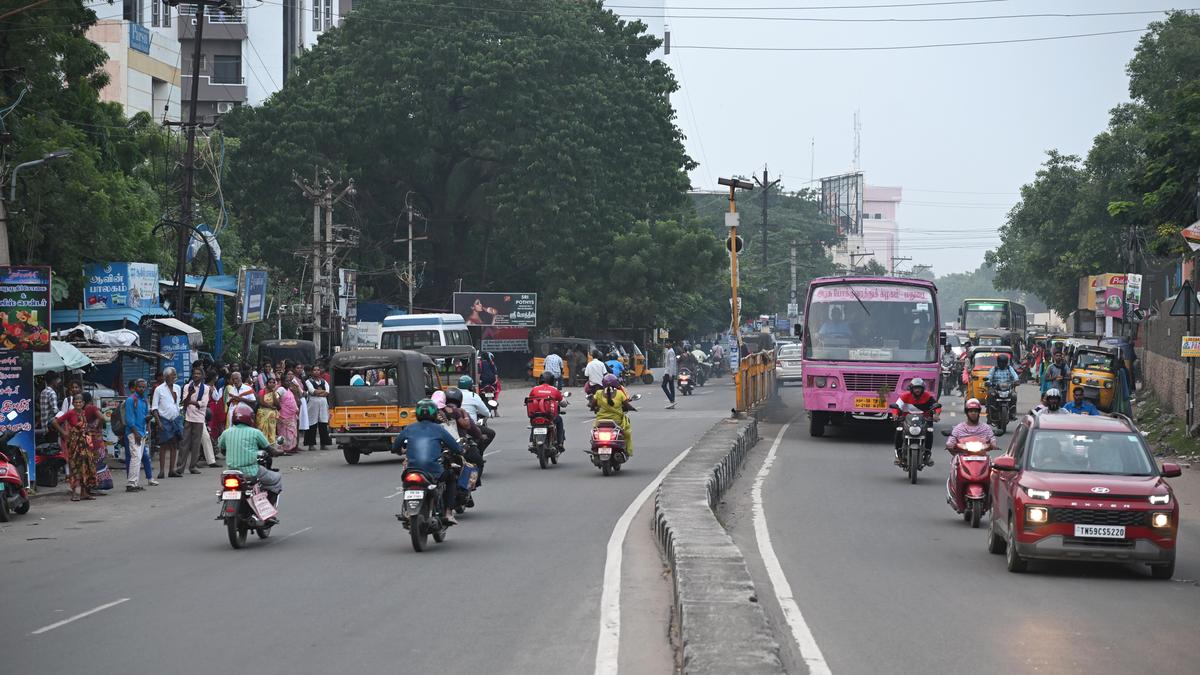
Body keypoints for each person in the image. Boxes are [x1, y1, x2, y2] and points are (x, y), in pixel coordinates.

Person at [390, 399, 464, 525]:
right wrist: (460, 449)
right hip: (433, 471)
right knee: (451, 477)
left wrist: (401, 451)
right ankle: (448, 512)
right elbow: (456, 448)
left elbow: (395, 447)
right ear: (434, 414)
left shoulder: (409, 428)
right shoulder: (439, 429)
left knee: (406, 484)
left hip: (411, 470)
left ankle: (406, 511)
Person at [219, 404, 283, 516]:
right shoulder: (255, 433)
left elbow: (222, 449)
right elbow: (270, 450)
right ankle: (269, 511)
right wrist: (279, 452)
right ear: (250, 418)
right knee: (276, 479)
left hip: (231, 472)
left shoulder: (226, 433)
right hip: (251, 471)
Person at [53, 394, 98, 501]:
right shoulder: (70, 413)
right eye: (76, 402)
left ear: (83, 403)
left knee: (86, 465)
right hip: (74, 443)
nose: (78, 404)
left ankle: (84, 493)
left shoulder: (83, 413)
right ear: (73, 404)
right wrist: (64, 433)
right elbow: (55, 422)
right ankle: (75, 493)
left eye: (80, 402)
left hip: (85, 444)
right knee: (76, 466)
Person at [889, 378, 942, 467]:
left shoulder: (928, 397)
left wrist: (936, 415)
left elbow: (936, 406)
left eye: (919, 388)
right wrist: (895, 415)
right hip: (907, 420)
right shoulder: (904, 396)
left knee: (929, 431)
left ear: (923, 389)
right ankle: (898, 455)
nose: (917, 390)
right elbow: (896, 406)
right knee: (899, 430)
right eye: (915, 388)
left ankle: (927, 454)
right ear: (911, 389)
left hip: (924, 420)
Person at [176, 366, 212, 476]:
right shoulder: (187, 386)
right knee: (184, 443)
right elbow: (184, 402)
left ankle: (193, 466)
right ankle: (180, 467)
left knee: (196, 444)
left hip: (199, 418)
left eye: (198, 373)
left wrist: (192, 402)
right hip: (188, 417)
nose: (196, 375)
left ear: (202, 376)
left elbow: (203, 404)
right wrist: (191, 397)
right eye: (195, 373)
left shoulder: (206, 388)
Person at [123, 378, 156, 490]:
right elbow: (129, 419)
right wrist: (136, 433)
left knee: (138, 457)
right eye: (139, 386)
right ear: (135, 387)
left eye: (143, 387)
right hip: (134, 432)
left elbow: (144, 416)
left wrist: (147, 423)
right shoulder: (131, 400)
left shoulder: (144, 400)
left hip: (141, 432)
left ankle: (135, 482)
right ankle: (131, 483)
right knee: (136, 457)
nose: (142, 389)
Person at [593, 373, 636, 457]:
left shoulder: (598, 393)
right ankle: (627, 451)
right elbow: (627, 405)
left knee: (594, 433)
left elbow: (592, 405)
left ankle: (595, 448)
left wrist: (595, 406)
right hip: (616, 421)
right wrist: (633, 409)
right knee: (626, 433)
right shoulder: (620, 393)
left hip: (600, 421)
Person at [151, 367, 183, 479]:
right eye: (172, 375)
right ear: (166, 377)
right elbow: (154, 407)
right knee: (164, 445)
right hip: (163, 419)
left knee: (174, 444)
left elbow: (177, 403)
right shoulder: (159, 389)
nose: (174, 377)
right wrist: (158, 422)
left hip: (175, 419)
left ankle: (172, 470)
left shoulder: (178, 388)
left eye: (175, 375)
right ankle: (161, 471)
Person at [527, 371, 566, 450]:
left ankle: (532, 439)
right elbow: (563, 402)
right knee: (559, 420)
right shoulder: (554, 389)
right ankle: (560, 442)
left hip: (535, 415)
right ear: (552, 380)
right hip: (549, 416)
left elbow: (529, 399)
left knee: (533, 423)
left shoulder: (534, 389)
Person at [456, 376, 496, 451]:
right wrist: (489, 414)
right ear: (470, 386)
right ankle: (480, 452)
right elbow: (485, 411)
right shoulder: (473, 396)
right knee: (491, 433)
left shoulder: (454, 394)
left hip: (455, 426)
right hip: (470, 425)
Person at [305, 365, 333, 450]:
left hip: (323, 404)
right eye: (314, 370)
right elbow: (312, 391)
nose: (316, 371)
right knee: (312, 424)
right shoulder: (308, 381)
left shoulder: (324, 381)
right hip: (313, 404)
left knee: (323, 424)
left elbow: (327, 392)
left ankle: (324, 444)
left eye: (318, 370)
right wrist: (321, 392)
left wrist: (318, 392)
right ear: (311, 372)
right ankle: (311, 444)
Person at [276, 372, 300, 454]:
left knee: (291, 432)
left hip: (292, 415)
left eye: (289, 381)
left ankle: (290, 448)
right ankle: (283, 449)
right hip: (283, 415)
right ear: (282, 382)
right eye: (286, 381)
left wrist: (296, 409)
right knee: (283, 433)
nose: (288, 383)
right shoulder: (280, 389)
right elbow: (276, 398)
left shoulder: (289, 390)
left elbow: (292, 401)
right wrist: (279, 407)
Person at [205, 370, 225, 464]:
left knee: (214, 429)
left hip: (214, 408)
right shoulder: (209, 387)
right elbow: (215, 398)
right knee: (211, 429)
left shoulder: (212, 386)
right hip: (211, 408)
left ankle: (213, 451)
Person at [256, 376, 280, 445]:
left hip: (272, 415)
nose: (272, 384)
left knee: (272, 430)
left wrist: (273, 394)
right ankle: (263, 445)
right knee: (262, 429)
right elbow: (261, 402)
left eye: (273, 383)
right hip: (263, 413)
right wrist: (271, 407)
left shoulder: (274, 393)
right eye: (270, 382)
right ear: (266, 384)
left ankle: (271, 446)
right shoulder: (262, 391)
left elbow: (277, 404)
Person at [661, 341, 677, 409]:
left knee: (663, 386)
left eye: (667, 343)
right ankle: (672, 403)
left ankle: (671, 400)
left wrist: (670, 374)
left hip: (669, 372)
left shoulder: (670, 352)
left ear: (670, 344)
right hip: (669, 372)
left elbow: (671, 363)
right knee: (671, 387)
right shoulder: (670, 351)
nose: (666, 344)